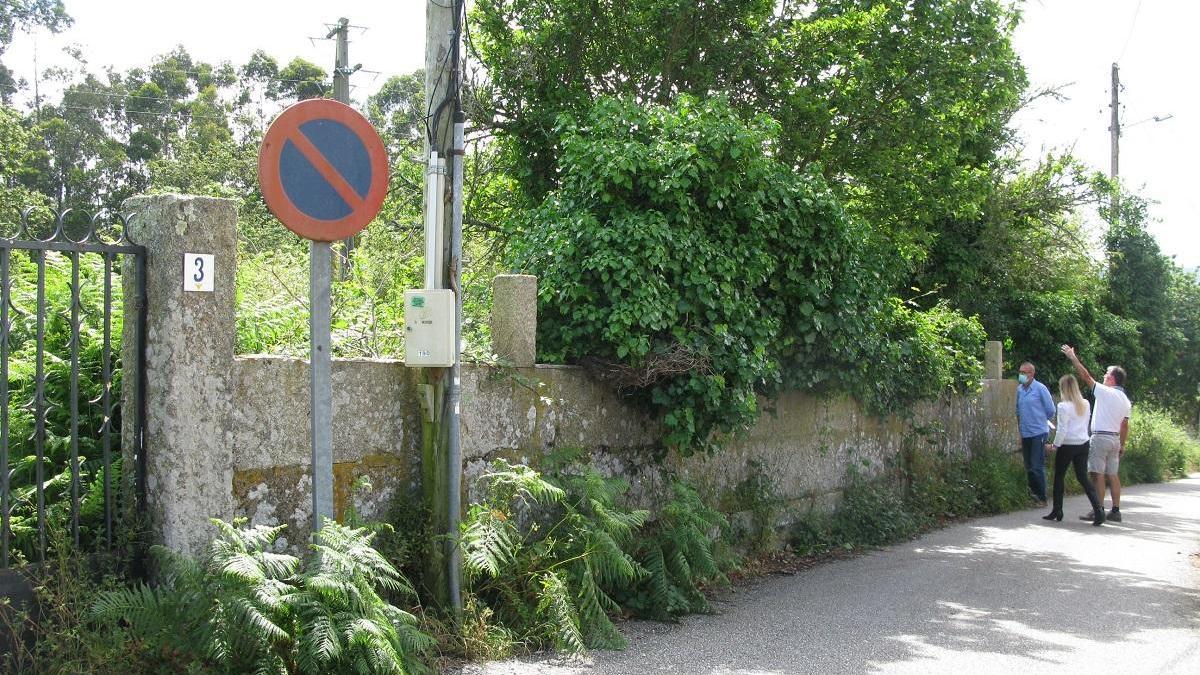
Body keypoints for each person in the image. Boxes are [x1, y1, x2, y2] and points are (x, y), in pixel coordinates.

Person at [1060, 345, 1131, 523]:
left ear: (1113, 379)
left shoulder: (1106, 392)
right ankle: (1115, 510)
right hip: (1115, 438)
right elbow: (1124, 425)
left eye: (1107, 374)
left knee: (1096, 473)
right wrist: (1122, 444)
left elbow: (1085, 376)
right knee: (1112, 474)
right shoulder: (1125, 400)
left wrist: (1073, 358)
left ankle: (1098, 509)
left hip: (1101, 437)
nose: (1104, 376)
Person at [1042, 374, 1105, 525]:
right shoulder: (1085, 403)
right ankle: (1099, 510)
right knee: (1083, 477)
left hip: (1067, 444)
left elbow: (1062, 429)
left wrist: (1055, 445)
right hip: (1083, 443)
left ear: (1063, 389)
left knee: (1059, 476)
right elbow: (1085, 424)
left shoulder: (1063, 406)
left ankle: (1058, 509)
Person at [1015, 362, 1055, 506]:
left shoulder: (1040, 388)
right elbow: (1018, 411)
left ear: (1031, 374)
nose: (1021, 375)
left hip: (1039, 432)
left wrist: (1040, 419)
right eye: (1020, 372)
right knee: (1028, 466)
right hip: (1026, 433)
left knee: (1036, 465)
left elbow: (1051, 410)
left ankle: (1042, 497)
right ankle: (1033, 495)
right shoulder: (1020, 390)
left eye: (1024, 372)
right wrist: (1020, 429)